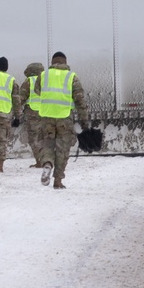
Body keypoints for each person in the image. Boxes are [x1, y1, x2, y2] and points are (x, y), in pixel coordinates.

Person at [34, 51, 91, 189]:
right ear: (65, 62)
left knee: (47, 144)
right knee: (62, 150)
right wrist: (84, 122)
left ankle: (47, 164)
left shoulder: (43, 75)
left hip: (46, 116)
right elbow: (80, 101)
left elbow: (37, 91)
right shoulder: (71, 77)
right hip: (64, 118)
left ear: (52, 62)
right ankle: (58, 181)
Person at [18, 62, 45, 168]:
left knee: (34, 138)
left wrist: (15, 110)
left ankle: (39, 162)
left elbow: (21, 98)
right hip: (47, 112)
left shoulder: (29, 81)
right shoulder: (47, 80)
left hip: (33, 113)